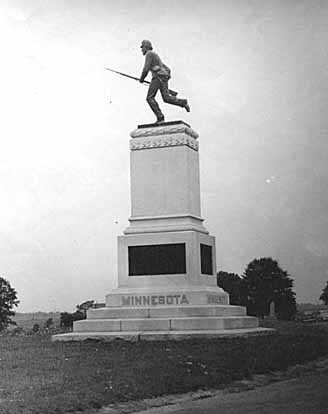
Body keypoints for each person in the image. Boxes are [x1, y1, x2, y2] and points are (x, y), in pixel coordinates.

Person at [139, 40, 190, 123]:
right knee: (166, 98)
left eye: (142, 47)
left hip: (157, 77)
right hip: (162, 77)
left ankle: (160, 117)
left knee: (149, 98)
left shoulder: (149, 54)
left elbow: (146, 68)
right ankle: (183, 103)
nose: (141, 50)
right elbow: (167, 69)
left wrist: (141, 79)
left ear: (146, 47)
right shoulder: (155, 55)